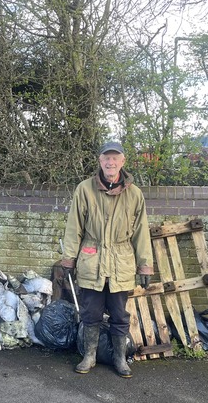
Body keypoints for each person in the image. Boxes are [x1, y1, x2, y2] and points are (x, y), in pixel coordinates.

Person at [61, 141, 154, 378]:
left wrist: (145, 265)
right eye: (106, 159)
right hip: (92, 260)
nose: (110, 163)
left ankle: (119, 358)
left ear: (123, 162)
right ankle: (90, 355)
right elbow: (74, 228)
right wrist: (69, 260)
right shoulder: (84, 189)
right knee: (90, 312)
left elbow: (141, 231)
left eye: (115, 159)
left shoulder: (134, 194)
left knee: (119, 314)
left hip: (121, 262)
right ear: (100, 162)